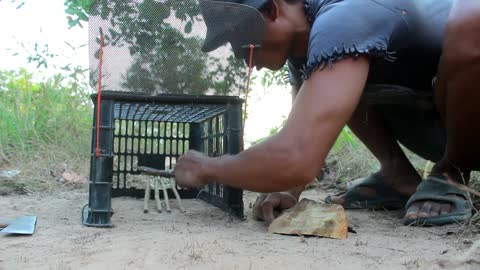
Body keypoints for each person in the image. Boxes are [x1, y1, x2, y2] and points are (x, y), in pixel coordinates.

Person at [174, 0, 480, 226]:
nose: (245, 58)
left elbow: (296, 157)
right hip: (439, 120)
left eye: (241, 38)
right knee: (333, 76)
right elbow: (305, 130)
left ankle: (451, 173)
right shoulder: (309, 46)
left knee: (473, 19)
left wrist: (207, 168)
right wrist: (287, 188)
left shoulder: (347, 14)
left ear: (272, 11)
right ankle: (398, 176)